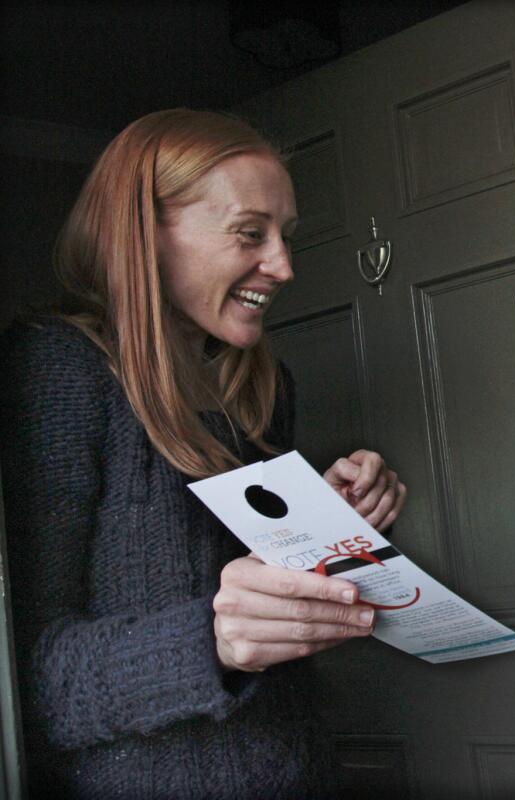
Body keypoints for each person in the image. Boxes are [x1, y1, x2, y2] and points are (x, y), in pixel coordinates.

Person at [0, 108, 406, 797]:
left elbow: (262, 598)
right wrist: (211, 640)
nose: (283, 266)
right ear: (145, 235)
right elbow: (34, 684)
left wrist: (334, 520)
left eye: (285, 236)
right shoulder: (55, 373)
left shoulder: (264, 390)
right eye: (251, 233)